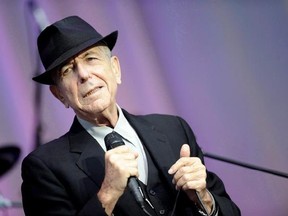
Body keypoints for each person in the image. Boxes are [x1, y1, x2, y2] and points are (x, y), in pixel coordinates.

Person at [21, 16, 241, 216]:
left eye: (91, 59)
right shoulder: (45, 168)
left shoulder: (173, 130)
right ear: (59, 94)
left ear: (115, 69)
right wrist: (108, 193)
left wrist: (203, 198)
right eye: (68, 70)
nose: (84, 74)